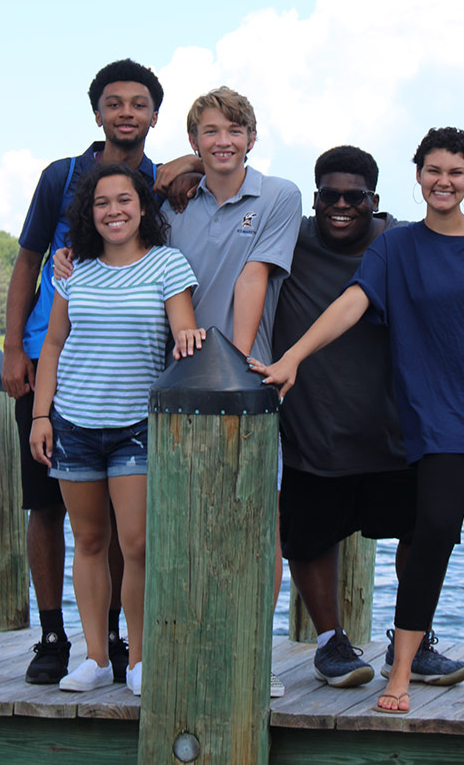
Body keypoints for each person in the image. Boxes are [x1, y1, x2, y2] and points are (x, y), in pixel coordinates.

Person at [249, 127, 464, 713]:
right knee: (433, 537)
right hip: (445, 422)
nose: (444, 182)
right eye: (433, 171)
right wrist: (293, 356)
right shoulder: (396, 247)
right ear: (417, 175)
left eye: (456, 173)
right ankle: (399, 675)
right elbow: (352, 302)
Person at [57, 85, 302, 697]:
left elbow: (254, 278)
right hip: (169, 399)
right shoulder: (170, 203)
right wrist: (72, 262)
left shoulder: (278, 196)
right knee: (173, 531)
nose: (223, 142)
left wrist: (238, 367)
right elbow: (127, 243)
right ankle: (172, 648)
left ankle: (253, 652)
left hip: (243, 384)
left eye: (234, 131)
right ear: (193, 140)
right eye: (209, 134)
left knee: (254, 525)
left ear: (253, 137)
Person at [274, 145, 464, 689]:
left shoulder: (402, 241)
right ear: (314, 199)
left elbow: (462, 254)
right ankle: (331, 643)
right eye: (329, 196)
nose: (341, 206)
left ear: (375, 201)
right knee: (310, 538)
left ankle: (413, 639)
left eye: (353, 197)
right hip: (315, 425)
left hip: (397, 425)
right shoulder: (287, 237)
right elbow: (229, 182)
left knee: (423, 530)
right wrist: (186, 165)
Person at [2, 58, 164, 684]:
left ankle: (118, 641)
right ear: (97, 111)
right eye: (115, 102)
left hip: (123, 375)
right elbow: (28, 262)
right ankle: (52, 634)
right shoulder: (61, 176)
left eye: (139, 103)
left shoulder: (155, 179)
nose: (127, 112)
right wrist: (16, 347)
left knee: (127, 523)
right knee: (46, 506)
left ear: (154, 114)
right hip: (51, 361)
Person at [29, 164, 203, 695]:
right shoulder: (73, 270)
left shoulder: (167, 265)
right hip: (74, 424)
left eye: (124, 200)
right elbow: (54, 344)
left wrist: (188, 338)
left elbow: (183, 328)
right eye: (102, 203)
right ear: (91, 214)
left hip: (136, 427)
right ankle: (97, 658)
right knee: (88, 541)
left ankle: (141, 659)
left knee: (136, 545)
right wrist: (41, 415)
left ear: (143, 207)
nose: (114, 211)